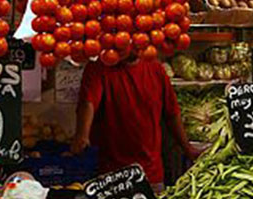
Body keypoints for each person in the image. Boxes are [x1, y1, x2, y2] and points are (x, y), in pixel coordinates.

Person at [71, 57, 198, 191]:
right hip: (112, 175)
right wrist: (82, 135)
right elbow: (88, 102)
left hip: (151, 174)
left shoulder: (155, 68)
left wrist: (187, 148)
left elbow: (172, 113)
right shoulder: (99, 67)